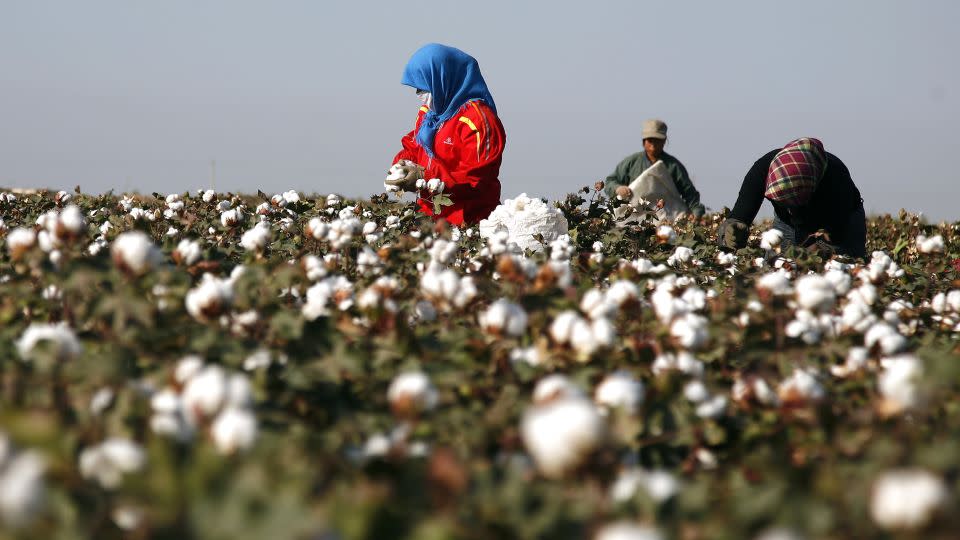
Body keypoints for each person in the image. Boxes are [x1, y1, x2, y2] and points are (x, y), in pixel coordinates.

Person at [384, 43, 506, 226]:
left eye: (423, 86)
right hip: (427, 217)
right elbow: (414, 147)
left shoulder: (479, 121)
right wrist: (401, 166)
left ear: (443, 78)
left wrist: (424, 177)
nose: (419, 93)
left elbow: (475, 181)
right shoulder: (429, 114)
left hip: (469, 222)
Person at [717, 137, 866, 258]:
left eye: (792, 204)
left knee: (837, 269)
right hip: (787, 225)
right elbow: (742, 211)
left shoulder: (837, 183)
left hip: (842, 225)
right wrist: (735, 224)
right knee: (777, 267)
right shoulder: (764, 168)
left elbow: (834, 236)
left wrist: (806, 257)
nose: (790, 211)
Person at [604, 119, 705, 217]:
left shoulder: (673, 166)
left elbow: (690, 195)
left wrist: (695, 214)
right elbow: (610, 181)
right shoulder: (632, 162)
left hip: (667, 219)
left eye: (657, 140)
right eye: (650, 140)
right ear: (644, 141)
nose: (653, 144)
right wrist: (617, 188)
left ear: (664, 141)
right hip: (633, 219)